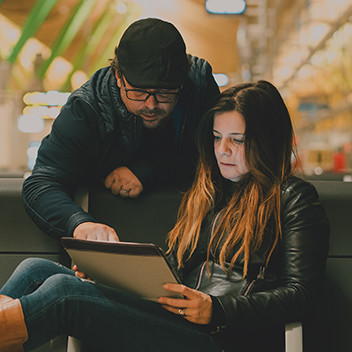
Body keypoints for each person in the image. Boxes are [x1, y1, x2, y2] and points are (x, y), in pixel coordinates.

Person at [1, 81, 329, 351]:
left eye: (237, 140)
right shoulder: (209, 192)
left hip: (221, 337)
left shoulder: (293, 199)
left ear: (267, 142)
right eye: (217, 138)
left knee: (64, 294)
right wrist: (109, 274)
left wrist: (218, 310)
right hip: (175, 320)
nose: (222, 150)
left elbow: (301, 294)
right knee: (36, 270)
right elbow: (173, 269)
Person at [22, 17, 220, 242]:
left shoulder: (200, 89)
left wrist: (148, 170)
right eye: (138, 92)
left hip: (189, 234)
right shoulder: (87, 108)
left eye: (164, 93)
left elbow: (217, 160)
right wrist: (80, 224)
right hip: (109, 231)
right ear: (118, 76)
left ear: (181, 84)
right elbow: (41, 184)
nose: (151, 105)